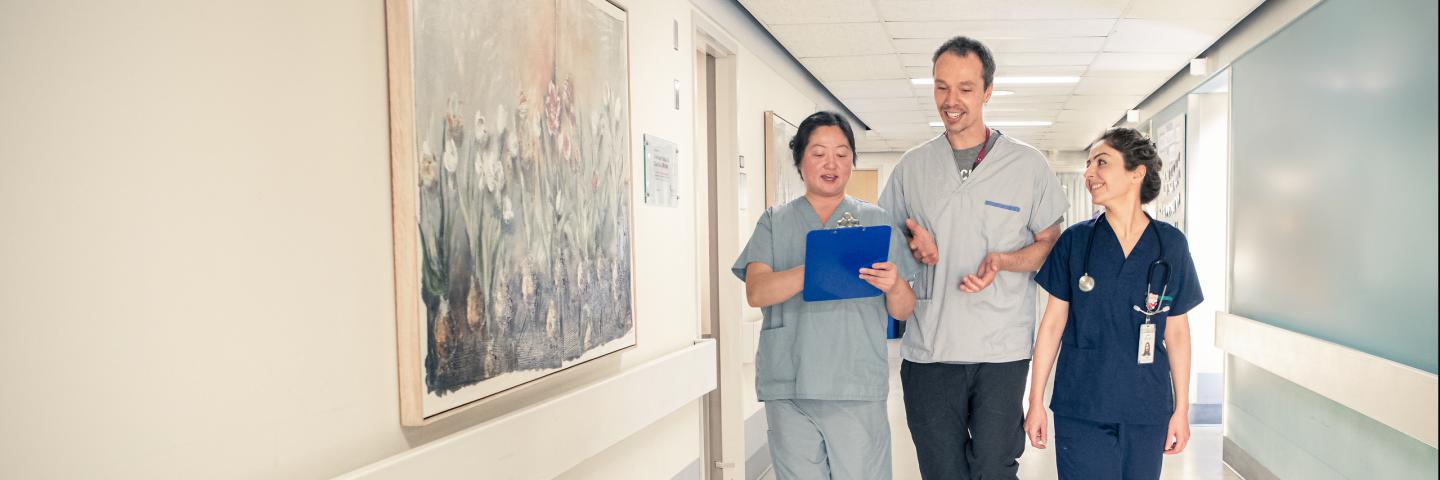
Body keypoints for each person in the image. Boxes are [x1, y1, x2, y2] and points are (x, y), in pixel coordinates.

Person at [878, 36, 1068, 479]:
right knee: (941, 471)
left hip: (1000, 351)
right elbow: (883, 247)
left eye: (965, 88)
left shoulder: (1027, 166)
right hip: (930, 351)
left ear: (987, 91)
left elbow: (1049, 245)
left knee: (993, 468)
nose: (951, 100)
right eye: (941, 87)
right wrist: (910, 245)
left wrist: (1003, 261)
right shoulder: (912, 167)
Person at [733, 111, 918, 479]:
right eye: (818, 153)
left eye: (842, 153)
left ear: (852, 161)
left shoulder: (876, 222)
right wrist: (819, 266)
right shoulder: (774, 221)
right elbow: (757, 291)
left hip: (855, 383)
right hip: (790, 383)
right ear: (800, 160)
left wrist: (894, 284)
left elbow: (904, 309)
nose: (831, 164)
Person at [1024, 127, 1203, 479]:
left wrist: (1181, 409)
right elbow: (1052, 326)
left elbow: (1177, 332)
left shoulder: (1170, 245)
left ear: (1137, 173)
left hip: (1146, 404)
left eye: (1101, 163)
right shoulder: (1076, 242)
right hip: (1083, 403)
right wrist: (1035, 402)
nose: (1090, 173)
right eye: (1088, 164)